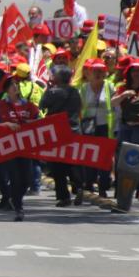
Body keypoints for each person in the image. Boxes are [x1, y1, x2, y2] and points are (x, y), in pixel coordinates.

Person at [0, 76, 40, 221]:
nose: (15, 87)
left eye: (16, 84)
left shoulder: (29, 106)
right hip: (8, 148)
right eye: (12, 85)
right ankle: (19, 208)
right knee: (14, 177)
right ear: (6, 89)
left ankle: (13, 198)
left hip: (26, 147)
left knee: (27, 178)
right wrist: (6, 125)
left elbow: (39, 122)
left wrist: (31, 122)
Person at [112, 60, 139, 201]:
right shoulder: (122, 88)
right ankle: (121, 189)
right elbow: (113, 102)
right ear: (129, 73)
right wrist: (124, 95)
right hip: (125, 127)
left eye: (138, 71)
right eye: (133, 71)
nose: (136, 74)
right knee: (121, 159)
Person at [39, 65, 83, 206]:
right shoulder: (75, 91)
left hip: (57, 131)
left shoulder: (52, 92)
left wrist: (48, 88)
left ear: (58, 77)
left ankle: (64, 196)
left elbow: (42, 105)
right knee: (73, 162)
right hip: (74, 129)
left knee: (58, 165)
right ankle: (79, 188)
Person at [78, 58, 113, 199]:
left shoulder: (109, 86)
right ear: (89, 73)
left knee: (104, 158)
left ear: (105, 73)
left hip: (105, 126)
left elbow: (115, 105)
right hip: (88, 127)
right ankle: (89, 184)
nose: (98, 74)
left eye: (101, 71)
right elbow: (79, 107)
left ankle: (103, 187)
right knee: (89, 157)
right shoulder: (84, 88)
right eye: (95, 71)